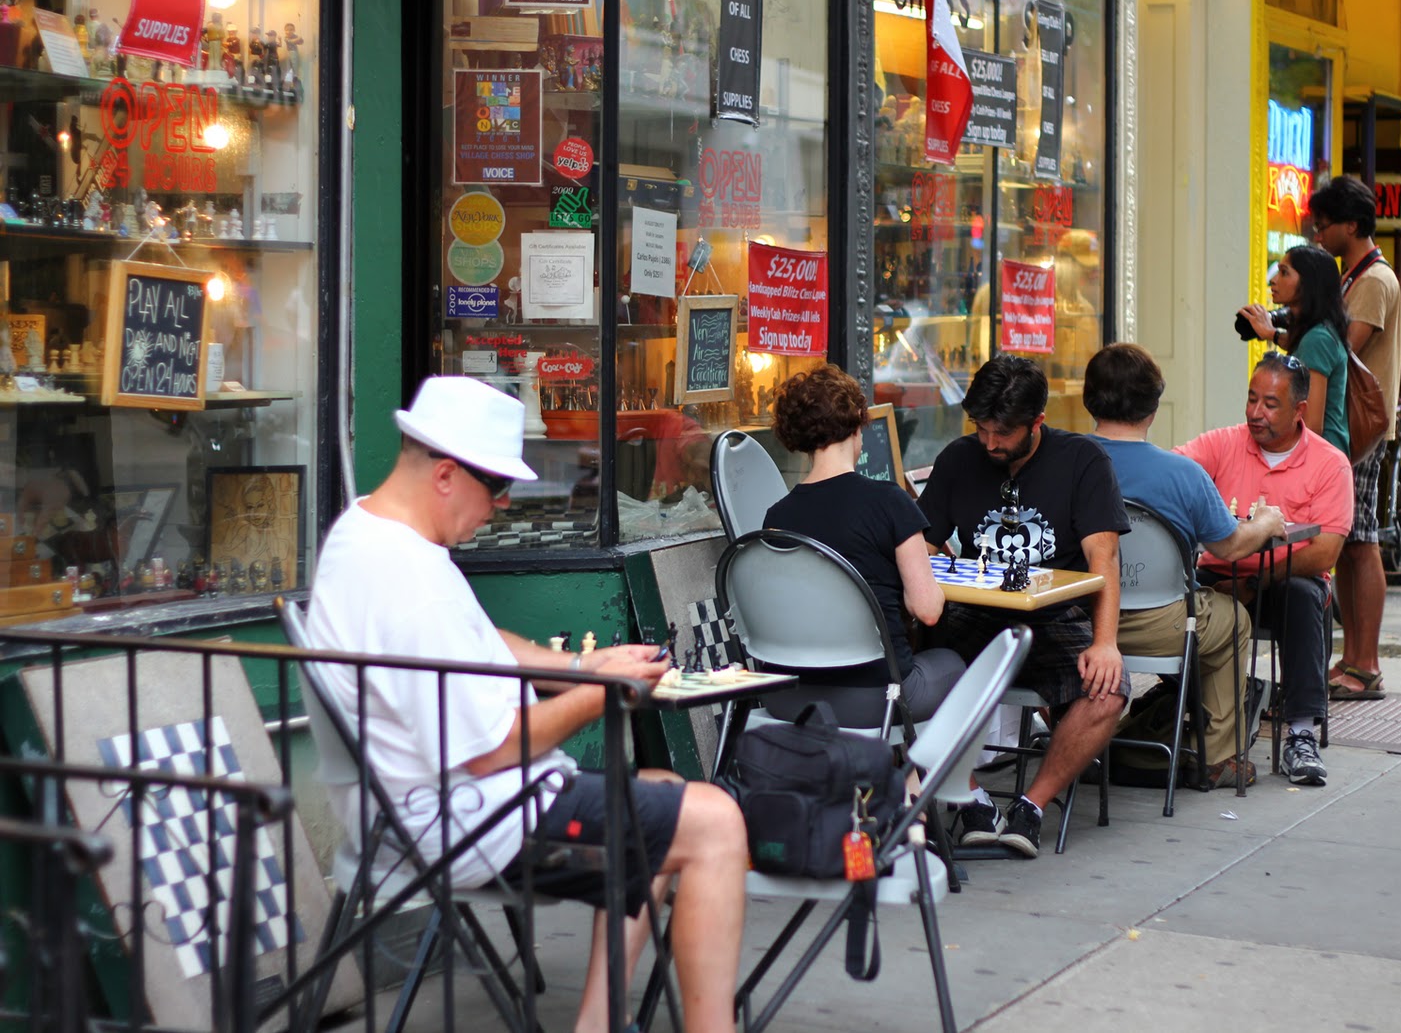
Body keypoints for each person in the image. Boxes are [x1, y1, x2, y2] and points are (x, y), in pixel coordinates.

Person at [307, 376, 745, 1033]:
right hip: (463, 818)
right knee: (712, 818)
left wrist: (579, 665)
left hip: (407, 808)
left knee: (658, 790)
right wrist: (607, 694)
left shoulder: (368, 534)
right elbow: (490, 751)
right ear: (449, 474)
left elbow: (483, 642)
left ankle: (598, 1023)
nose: (500, 508)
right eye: (497, 489)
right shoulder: (407, 582)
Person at [917, 355, 1128, 857]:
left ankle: (1031, 807)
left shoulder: (1083, 461)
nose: (990, 442)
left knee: (1109, 690)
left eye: (1003, 432)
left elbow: (1105, 559)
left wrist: (1106, 643)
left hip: (1054, 617)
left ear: (1038, 422)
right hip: (975, 615)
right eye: (981, 428)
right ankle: (970, 800)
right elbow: (923, 545)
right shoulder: (958, 459)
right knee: (910, 670)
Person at [1083, 344, 1287, 787]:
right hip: (1161, 622)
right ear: (1153, 408)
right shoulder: (1182, 473)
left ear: (1089, 399)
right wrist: (1266, 521)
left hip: (1078, 619)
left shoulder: (1062, 458)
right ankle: (1220, 757)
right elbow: (1232, 545)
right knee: (1233, 620)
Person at [1175, 354, 1353, 786]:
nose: (1256, 412)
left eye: (1270, 404)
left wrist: (1257, 581)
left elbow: (1324, 553)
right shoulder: (1221, 444)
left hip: (1279, 584)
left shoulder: (1331, 464)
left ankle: (1300, 734)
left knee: (1306, 595)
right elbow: (1174, 472)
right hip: (1217, 577)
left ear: (1299, 411)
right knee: (1172, 589)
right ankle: (1173, 709)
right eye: (1252, 399)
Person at [763, 364, 966, 727]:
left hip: (787, 699)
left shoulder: (777, 516)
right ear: (859, 422)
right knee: (953, 663)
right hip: (876, 700)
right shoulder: (890, 501)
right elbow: (928, 610)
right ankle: (942, 783)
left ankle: (900, 779)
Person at [1309, 175, 1401, 700]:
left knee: (1362, 541)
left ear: (1351, 224)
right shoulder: (1355, 276)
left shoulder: (1373, 281)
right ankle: (1353, 659)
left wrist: (1284, 333)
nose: (1318, 234)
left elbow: (1339, 348)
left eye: (1324, 224)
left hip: (1362, 432)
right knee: (1349, 543)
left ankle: (1365, 664)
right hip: (1355, 430)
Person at [1239, 243, 1351, 456]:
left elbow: (1312, 426)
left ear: (1309, 283)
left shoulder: (1317, 339)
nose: (1273, 280)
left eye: (1284, 273)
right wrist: (1271, 333)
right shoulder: (1319, 332)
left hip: (1319, 463)